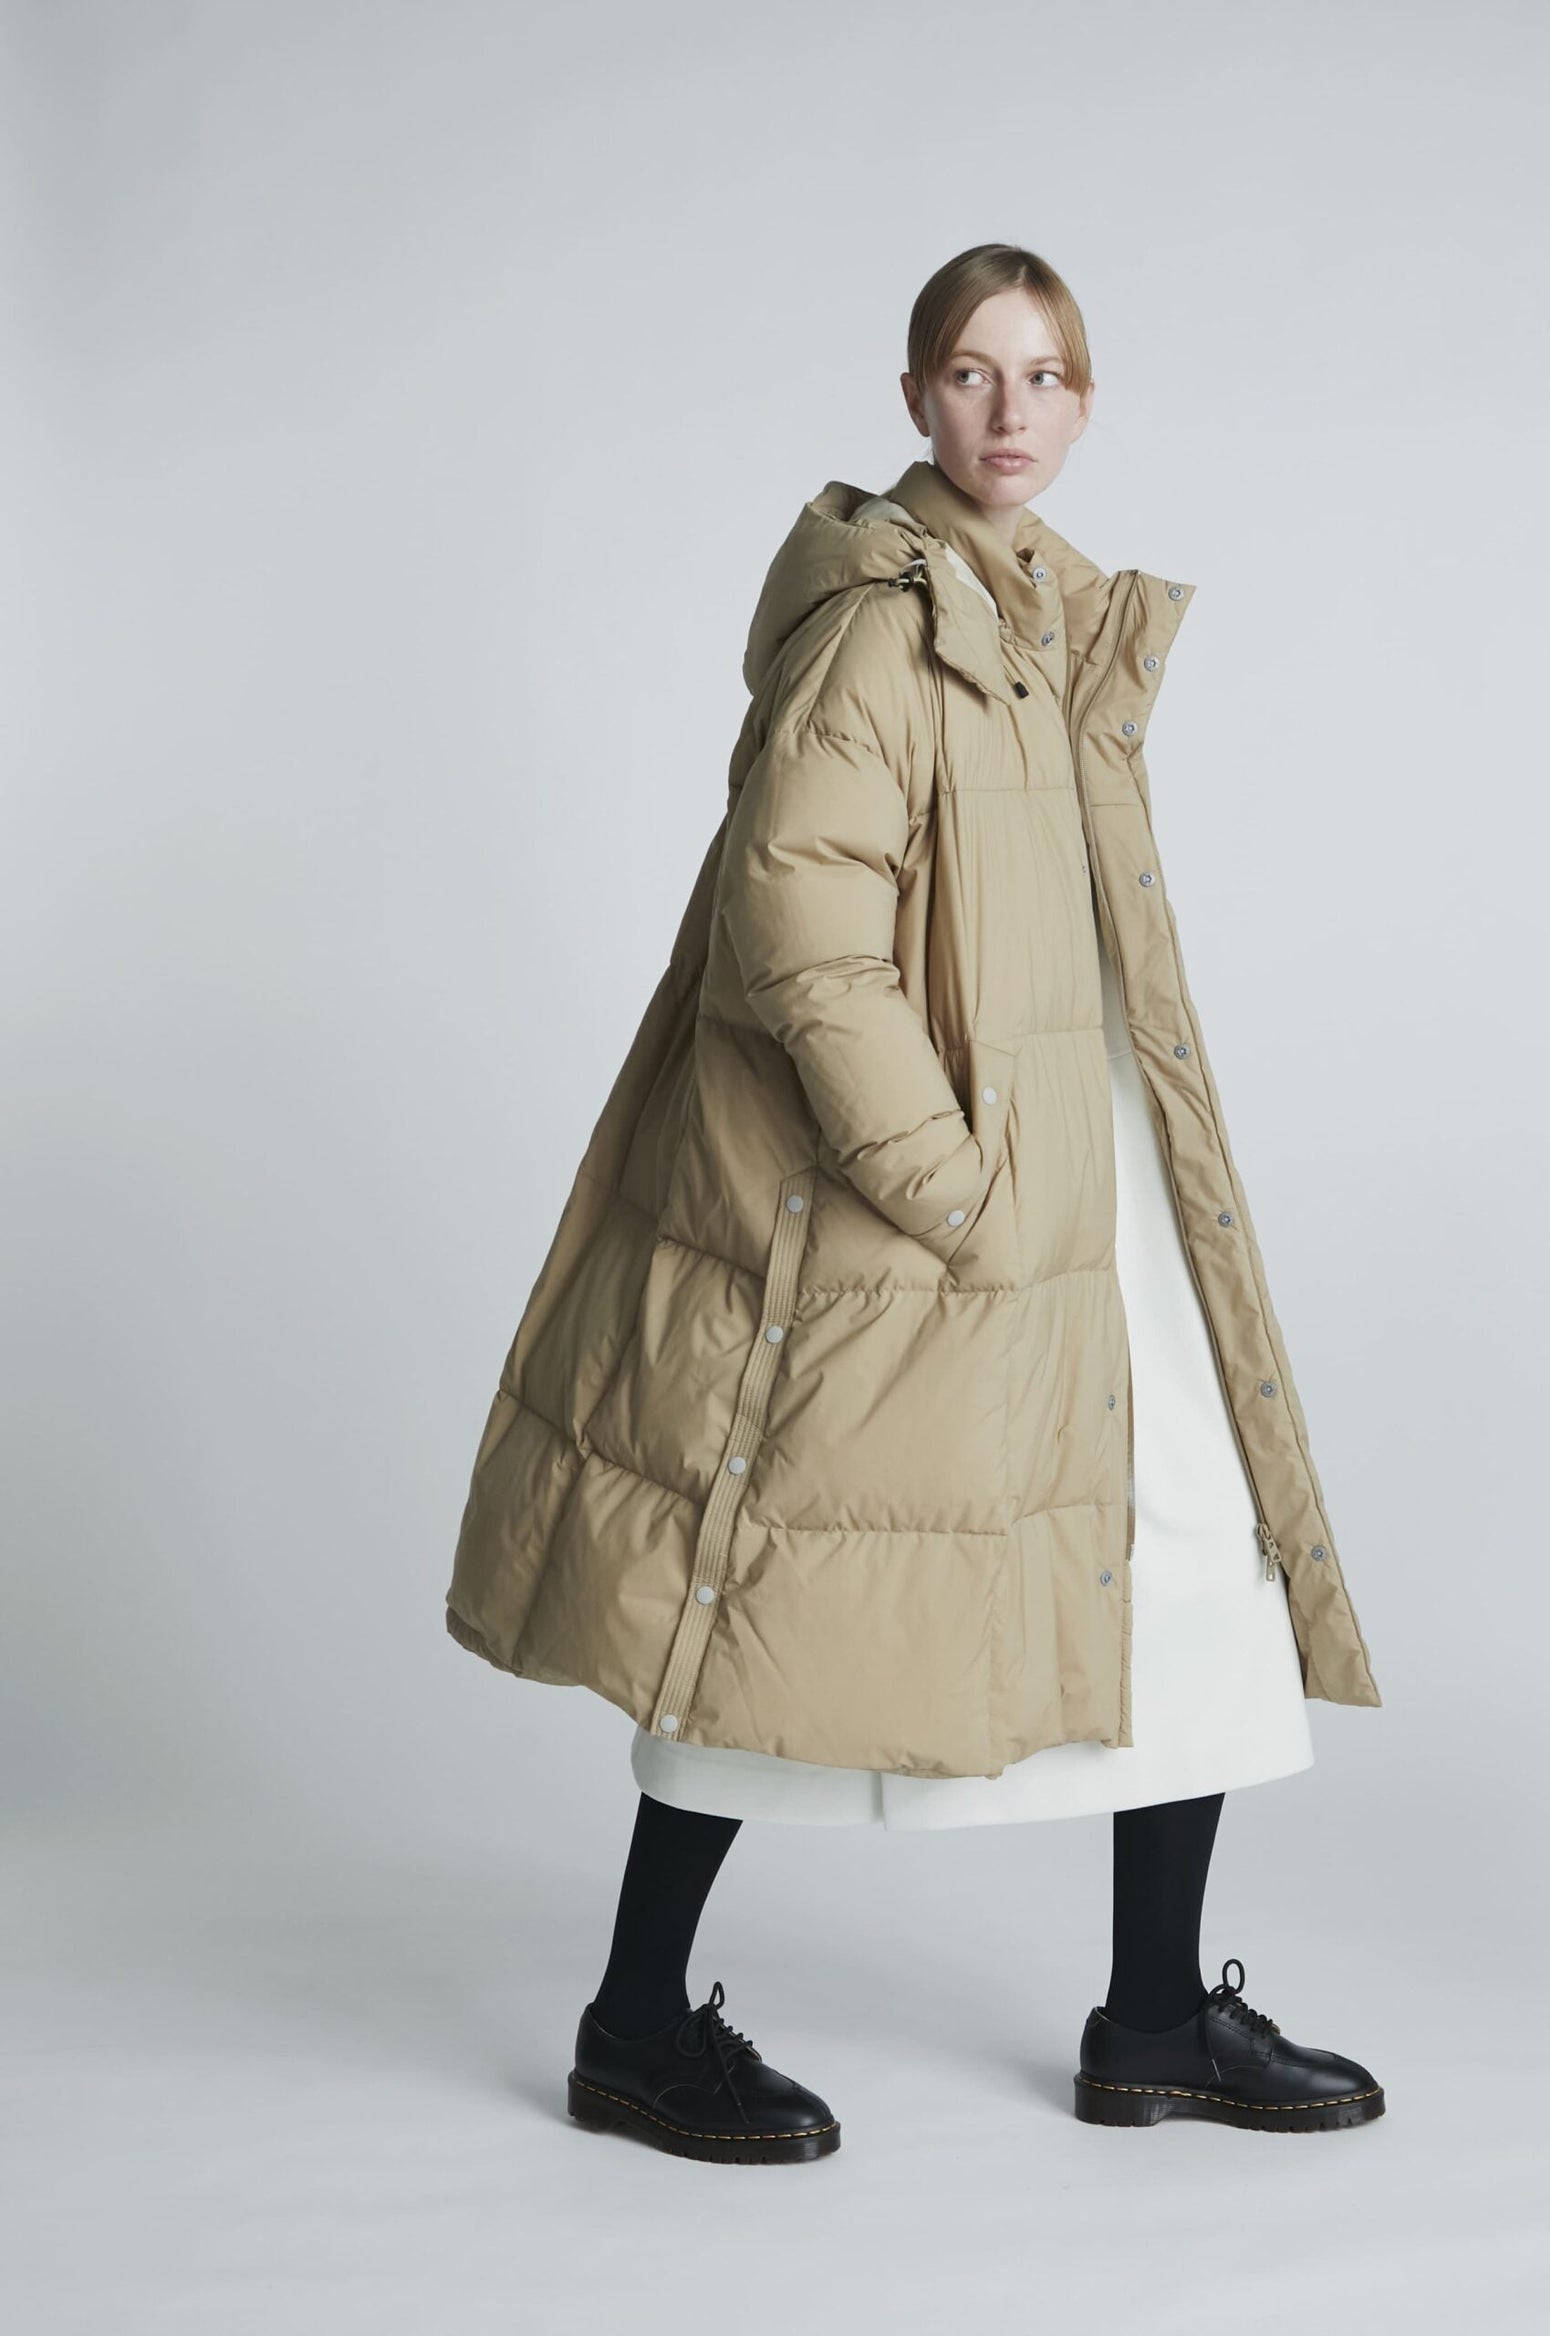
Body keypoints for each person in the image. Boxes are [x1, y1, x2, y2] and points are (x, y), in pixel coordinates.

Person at [445, 243, 1383, 2166]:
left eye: (1041, 376)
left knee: (1188, 1555)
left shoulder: (1046, 613)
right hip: (930, 1200)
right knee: (773, 1578)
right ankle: (633, 2027)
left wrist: (1067, 1174)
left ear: (1085, 401)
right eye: (969, 373)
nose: (1006, 411)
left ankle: (1152, 2015)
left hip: (1090, 1188)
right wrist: (943, 1187)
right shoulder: (885, 621)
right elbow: (800, 926)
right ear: (914, 398)